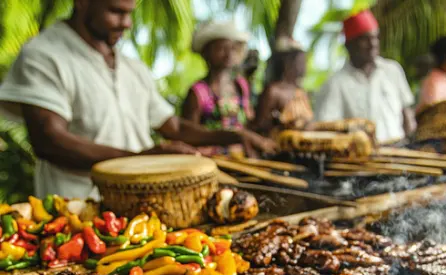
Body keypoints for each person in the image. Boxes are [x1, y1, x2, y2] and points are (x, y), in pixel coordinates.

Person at [0, 1, 273, 200]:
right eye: (116, 11)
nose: (127, 23)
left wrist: (234, 135)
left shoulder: (133, 67)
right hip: (76, 209)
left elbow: (174, 126)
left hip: (141, 208)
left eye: (130, 13)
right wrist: (141, 160)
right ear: (82, 3)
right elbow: (49, 140)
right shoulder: (43, 55)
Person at [315, 10, 416, 144]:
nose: (372, 44)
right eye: (365, 39)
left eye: (375, 37)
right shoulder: (335, 84)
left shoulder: (392, 70)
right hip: (361, 160)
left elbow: (407, 114)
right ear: (348, 45)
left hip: (400, 154)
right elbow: (326, 128)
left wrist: (411, 142)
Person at [181, 21, 254, 155]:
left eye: (232, 48)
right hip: (210, 161)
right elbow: (188, 134)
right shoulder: (198, 92)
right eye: (221, 48)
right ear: (206, 53)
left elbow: (248, 121)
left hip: (241, 159)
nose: (228, 54)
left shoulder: (241, 85)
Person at [252, 38, 313, 137]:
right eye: (301, 61)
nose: (304, 66)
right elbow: (259, 126)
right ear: (288, 62)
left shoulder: (301, 92)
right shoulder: (273, 91)